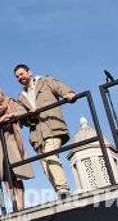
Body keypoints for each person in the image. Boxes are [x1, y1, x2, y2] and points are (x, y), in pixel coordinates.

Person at [13, 64, 75, 199]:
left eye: (22, 74)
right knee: (45, 165)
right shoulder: (21, 97)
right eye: (17, 76)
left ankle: (63, 189)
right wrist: (30, 116)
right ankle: (61, 194)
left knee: (50, 155)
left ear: (29, 72)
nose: (20, 77)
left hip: (52, 126)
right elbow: (23, 119)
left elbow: (60, 87)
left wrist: (69, 93)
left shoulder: (45, 81)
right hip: (37, 135)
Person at [0, 81, 34, 211]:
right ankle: (14, 205)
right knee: (4, 176)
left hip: (12, 141)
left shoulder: (8, 101)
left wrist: (10, 116)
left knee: (16, 175)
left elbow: (23, 111)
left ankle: (21, 206)